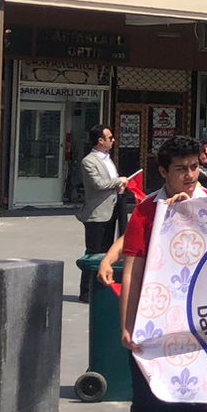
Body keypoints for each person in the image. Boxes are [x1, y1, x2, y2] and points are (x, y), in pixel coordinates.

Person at [109, 135, 207, 412]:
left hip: (200, 323)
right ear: (162, 172)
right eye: (180, 169)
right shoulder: (146, 211)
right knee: (147, 402)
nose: (189, 176)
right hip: (154, 323)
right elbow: (133, 267)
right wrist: (128, 322)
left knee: (193, 398)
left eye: (194, 167)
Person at [78, 125, 127, 299]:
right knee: (93, 252)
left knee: (107, 250)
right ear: (100, 140)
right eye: (110, 137)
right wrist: (117, 181)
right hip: (97, 213)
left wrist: (119, 187)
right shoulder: (89, 161)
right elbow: (98, 184)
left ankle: (100, 285)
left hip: (112, 209)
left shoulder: (107, 158)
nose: (113, 140)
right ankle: (85, 290)